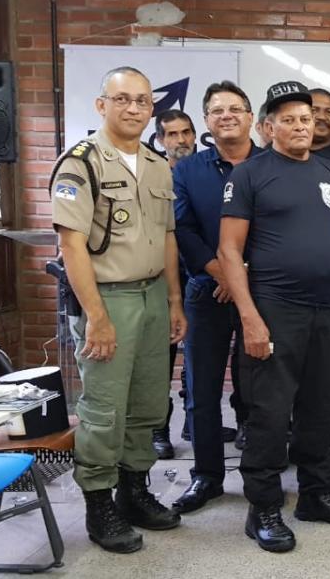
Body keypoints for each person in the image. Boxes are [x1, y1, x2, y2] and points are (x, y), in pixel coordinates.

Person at [218, 81, 330, 553]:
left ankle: (314, 493)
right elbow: (228, 249)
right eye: (288, 119)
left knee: (319, 407)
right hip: (275, 311)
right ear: (268, 127)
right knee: (269, 411)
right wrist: (249, 316)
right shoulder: (249, 176)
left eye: (305, 118)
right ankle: (263, 507)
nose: (300, 125)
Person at [52, 66, 187, 553]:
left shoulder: (156, 164)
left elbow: (168, 237)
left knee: (147, 404)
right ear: (102, 105)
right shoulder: (81, 163)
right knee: (105, 409)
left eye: (143, 101)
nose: (133, 109)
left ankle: (134, 491)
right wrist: (98, 317)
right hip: (107, 299)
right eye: (123, 99)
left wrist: (174, 300)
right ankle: (98, 503)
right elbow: (72, 247)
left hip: (153, 297)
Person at [170, 80, 261, 514]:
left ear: (250, 117)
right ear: (207, 121)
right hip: (206, 291)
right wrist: (220, 270)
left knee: (261, 388)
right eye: (217, 110)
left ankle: (262, 473)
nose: (227, 115)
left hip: (262, 292)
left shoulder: (271, 164)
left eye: (235, 108)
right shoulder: (188, 170)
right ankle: (206, 477)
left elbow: (278, 230)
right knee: (201, 391)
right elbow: (182, 229)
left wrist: (241, 274)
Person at [151, 108, 196, 461]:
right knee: (161, 355)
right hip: (163, 277)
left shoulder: (204, 172)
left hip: (201, 273)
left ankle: (192, 423)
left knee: (198, 356)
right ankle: (158, 429)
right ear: (160, 140)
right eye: (172, 134)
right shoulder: (152, 175)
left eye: (185, 132)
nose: (180, 140)